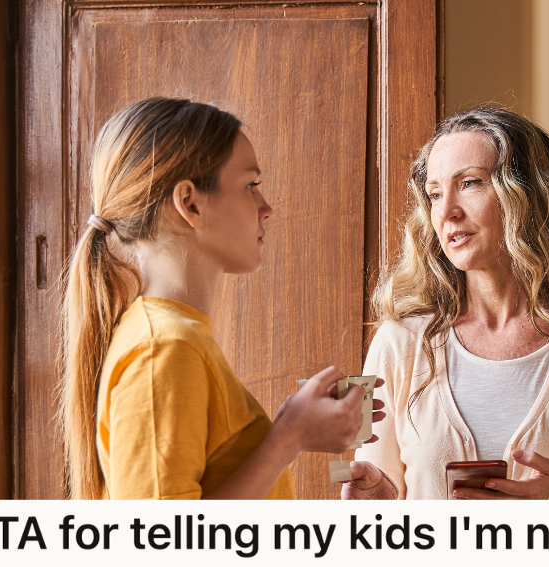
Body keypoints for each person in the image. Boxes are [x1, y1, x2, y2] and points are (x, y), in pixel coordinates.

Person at [60, 97, 382, 500]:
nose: (267, 207)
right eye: (250, 185)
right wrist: (288, 437)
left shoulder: (178, 338)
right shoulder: (165, 350)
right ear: (190, 203)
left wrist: (295, 426)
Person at [342, 106, 549, 501]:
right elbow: (368, 509)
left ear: (529, 197)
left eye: (470, 183)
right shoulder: (396, 342)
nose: (447, 211)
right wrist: (374, 508)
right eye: (435, 194)